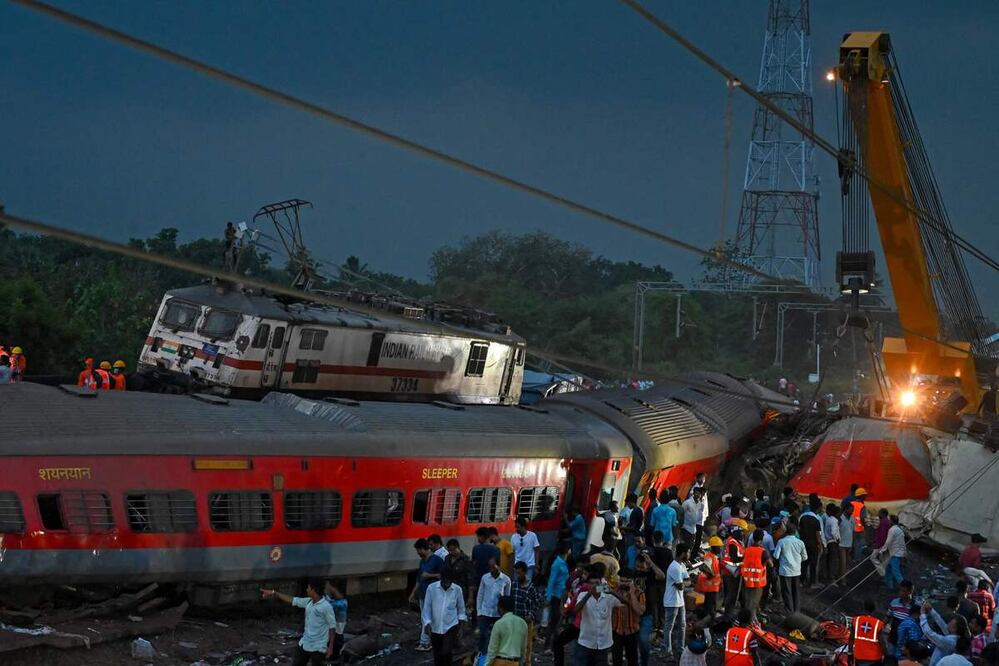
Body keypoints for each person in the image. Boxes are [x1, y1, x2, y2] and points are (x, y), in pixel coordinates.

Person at [261, 579, 337, 666]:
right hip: (305, 643)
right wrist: (274, 593)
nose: (307, 590)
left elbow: (332, 627)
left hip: (318, 647)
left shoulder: (326, 607)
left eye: (308, 588)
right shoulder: (309, 602)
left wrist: (330, 647)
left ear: (313, 590)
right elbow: (292, 600)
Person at [572, 565, 623, 666]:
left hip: (603, 644)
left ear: (601, 584)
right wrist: (589, 594)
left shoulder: (608, 597)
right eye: (591, 584)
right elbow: (575, 610)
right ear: (588, 585)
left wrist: (612, 591)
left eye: (597, 583)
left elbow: (624, 602)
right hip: (586, 642)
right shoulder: (583, 595)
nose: (594, 586)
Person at [423, 571, 468, 666]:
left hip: (450, 626)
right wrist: (427, 623)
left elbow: (461, 610)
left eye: (449, 582)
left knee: (446, 651)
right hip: (435, 627)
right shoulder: (431, 588)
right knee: (437, 654)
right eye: (445, 581)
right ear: (441, 579)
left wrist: (461, 628)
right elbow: (426, 608)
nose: (447, 584)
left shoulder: (457, 590)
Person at [410, 538, 445, 651]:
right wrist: (413, 593)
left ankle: (426, 642)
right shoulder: (422, 561)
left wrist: (429, 575)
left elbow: (443, 576)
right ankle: (427, 639)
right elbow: (419, 579)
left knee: (430, 618)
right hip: (423, 594)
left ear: (423, 549)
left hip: (434, 595)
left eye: (418, 550)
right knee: (425, 618)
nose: (418, 553)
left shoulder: (437, 560)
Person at [633, 549, 665, 666]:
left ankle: (644, 663)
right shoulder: (632, 574)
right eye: (637, 566)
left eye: (641, 567)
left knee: (643, 640)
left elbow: (661, 576)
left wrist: (651, 563)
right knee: (633, 642)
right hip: (633, 613)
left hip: (647, 613)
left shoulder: (650, 575)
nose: (639, 569)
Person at [477, 558, 513, 656]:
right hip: (485, 611)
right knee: (483, 635)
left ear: (499, 566)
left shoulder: (506, 580)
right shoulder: (485, 578)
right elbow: (480, 595)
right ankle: (481, 655)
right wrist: (479, 611)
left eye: (493, 567)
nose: (491, 569)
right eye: (490, 567)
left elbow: (507, 597)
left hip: (498, 614)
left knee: (497, 636)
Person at [510, 562, 542, 666]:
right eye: (516, 573)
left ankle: (526, 663)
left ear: (525, 573)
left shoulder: (531, 587)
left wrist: (531, 615)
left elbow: (538, 602)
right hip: (515, 619)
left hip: (526, 620)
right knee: (514, 643)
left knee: (527, 645)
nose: (517, 576)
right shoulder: (514, 585)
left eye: (519, 573)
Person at [663, 542, 691, 661]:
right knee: (669, 628)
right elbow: (681, 586)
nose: (689, 555)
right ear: (683, 553)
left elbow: (688, 581)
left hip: (680, 601)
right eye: (688, 552)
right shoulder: (674, 567)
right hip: (672, 602)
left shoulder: (682, 565)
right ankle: (668, 652)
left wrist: (684, 583)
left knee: (682, 626)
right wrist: (684, 583)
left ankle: (680, 650)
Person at [772, 520, 807, 614]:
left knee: (787, 592)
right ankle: (797, 611)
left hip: (785, 571)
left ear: (786, 532)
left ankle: (789, 612)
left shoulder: (782, 542)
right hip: (796, 571)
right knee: (796, 591)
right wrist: (797, 561)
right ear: (795, 532)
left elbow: (776, 556)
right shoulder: (800, 542)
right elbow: (805, 557)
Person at [611, 568, 644, 666]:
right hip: (616, 631)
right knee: (616, 660)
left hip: (632, 632)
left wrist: (632, 593)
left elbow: (639, 611)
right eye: (622, 581)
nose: (624, 584)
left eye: (627, 581)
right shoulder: (614, 589)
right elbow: (596, 589)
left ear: (632, 581)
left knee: (632, 660)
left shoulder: (639, 593)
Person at [920, 599, 969, 666]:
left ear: (955, 629)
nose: (948, 623)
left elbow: (929, 633)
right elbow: (941, 624)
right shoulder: (954, 637)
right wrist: (931, 610)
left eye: (951, 622)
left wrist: (923, 614)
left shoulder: (949, 641)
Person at [486, 596, 529, 666]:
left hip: (499, 661)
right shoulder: (523, 623)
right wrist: (521, 663)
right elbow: (523, 648)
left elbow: (492, 649)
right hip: (515, 662)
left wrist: (487, 664)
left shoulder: (499, 623)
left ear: (501, 608)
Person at [741, 529, 771, 625]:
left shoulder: (746, 550)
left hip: (747, 581)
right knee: (753, 603)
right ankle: (751, 622)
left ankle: (751, 619)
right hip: (757, 583)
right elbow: (771, 564)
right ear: (761, 540)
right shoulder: (763, 552)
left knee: (748, 601)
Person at [545, 541, 572, 647]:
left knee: (557, 621)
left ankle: (553, 644)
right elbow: (551, 581)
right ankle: (549, 645)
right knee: (554, 621)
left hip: (561, 595)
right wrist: (548, 597)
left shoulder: (562, 562)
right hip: (556, 596)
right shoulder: (557, 564)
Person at [472, 527, 501, 615]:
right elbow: (498, 567)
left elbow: (474, 565)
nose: (477, 539)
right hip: (492, 580)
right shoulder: (496, 550)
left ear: (482, 537)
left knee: (479, 602)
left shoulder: (476, 549)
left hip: (478, 579)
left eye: (478, 536)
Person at [850, 598, 887, 666]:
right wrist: (887, 656)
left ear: (864, 607)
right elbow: (882, 643)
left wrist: (850, 654)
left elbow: (851, 639)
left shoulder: (856, 620)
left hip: (859, 658)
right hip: (874, 660)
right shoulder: (878, 624)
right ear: (874, 609)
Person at [798, 497, 825, 588]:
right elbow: (818, 535)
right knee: (813, 564)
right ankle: (812, 583)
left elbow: (799, 530)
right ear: (818, 508)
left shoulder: (803, 517)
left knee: (804, 563)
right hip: (813, 545)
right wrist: (821, 546)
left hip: (804, 544)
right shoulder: (816, 519)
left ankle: (801, 581)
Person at [694, 536, 723, 616]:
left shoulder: (714, 557)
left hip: (713, 587)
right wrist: (713, 575)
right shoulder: (709, 557)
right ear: (714, 547)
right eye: (719, 547)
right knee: (709, 608)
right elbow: (707, 572)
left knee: (710, 606)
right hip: (709, 588)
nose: (720, 549)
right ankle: (706, 620)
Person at [877, 514, 907, 590]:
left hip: (895, 554)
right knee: (888, 570)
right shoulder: (900, 530)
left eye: (889, 520)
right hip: (897, 553)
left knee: (896, 572)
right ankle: (889, 585)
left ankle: (905, 588)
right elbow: (903, 543)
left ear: (892, 522)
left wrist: (881, 551)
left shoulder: (892, 530)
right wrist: (905, 553)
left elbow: (888, 542)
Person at [721, 525, 745, 613]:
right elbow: (734, 558)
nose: (742, 534)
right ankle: (728, 611)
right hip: (730, 571)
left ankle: (727, 608)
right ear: (735, 533)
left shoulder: (736, 542)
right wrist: (745, 558)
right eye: (741, 532)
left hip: (731, 570)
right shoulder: (732, 543)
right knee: (731, 593)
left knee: (729, 592)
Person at [445, 539, 473, 609]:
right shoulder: (447, 558)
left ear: (458, 548)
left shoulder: (465, 559)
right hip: (449, 589)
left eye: (453, 550)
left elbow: (470, 579)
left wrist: (470, 597)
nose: (451, 552)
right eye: (449, 550)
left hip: (461, 589)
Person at [325, 582, 348, 662]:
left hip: (335, 638)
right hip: (333, 637)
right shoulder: (338, 603)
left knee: (330, 660)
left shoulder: (342, 604)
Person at [680, 487, 706, 553]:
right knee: (683, 547)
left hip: (694, 529)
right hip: (685, 528)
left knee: (690, 547)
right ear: (693, 493)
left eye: (699, 493)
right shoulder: (687, 503)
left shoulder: (700, 504)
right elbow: (681, 513)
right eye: (696, 493)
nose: (697, 495)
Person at [824, 504, 842, 583]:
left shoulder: (828, 519)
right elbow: (834, 532)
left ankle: (828, 577)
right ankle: (832, 578)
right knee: (833, 561)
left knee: (829, 561)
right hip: (833, 542)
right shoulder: (834, 521)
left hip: (828, 542)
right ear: (837, 513)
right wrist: (837, 539)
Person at [851, 488, 870, 561]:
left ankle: (852, 559)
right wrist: (866, 527)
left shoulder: (851, 503)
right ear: (861, 496)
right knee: (859, 544)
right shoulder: (862, 506)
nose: (865, 497)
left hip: (851, 527)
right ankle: (858, 559)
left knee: (853, 544)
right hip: (859, 529)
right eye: (864, 495)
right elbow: (862, 518)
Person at [840, 504, 855, 577]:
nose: (851, 512)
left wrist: (852, 544)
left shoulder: (852, 518)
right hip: (841, 544)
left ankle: (845, 577)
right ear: (846, 509)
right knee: (843, 563)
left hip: (849, 544)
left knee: (848, 564)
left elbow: (853, 531)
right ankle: (842, 579)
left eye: (852, 510)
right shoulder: (840, 518)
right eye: (850, 510)